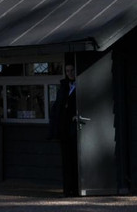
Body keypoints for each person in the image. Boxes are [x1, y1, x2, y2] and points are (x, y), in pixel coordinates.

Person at [49, 61, 78, 196]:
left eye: (72, 70)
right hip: (65, 129)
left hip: (76, 128)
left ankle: (76, 188)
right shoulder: (64, 87)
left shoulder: (79, 85)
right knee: (67, 160)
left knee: (76, 159)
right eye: (67, 71)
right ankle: (68, 189)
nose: (70, 73)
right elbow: (58, 108)